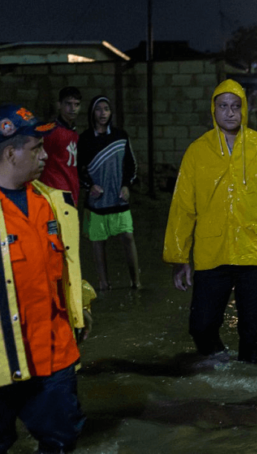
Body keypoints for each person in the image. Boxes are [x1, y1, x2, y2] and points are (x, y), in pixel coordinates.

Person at [164, 79, 257, 364]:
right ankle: (221, 365)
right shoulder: (197, 152)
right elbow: (183, 207)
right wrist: (178, 257)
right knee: (201, 326)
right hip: (211, 252)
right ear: (213, 109)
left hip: (256, 251)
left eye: (236, 106)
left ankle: (251, 390)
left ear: (244, 110)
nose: (230, 113)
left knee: (252, 329)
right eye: (223, 106)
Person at [0, 104, 91, 453]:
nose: (45, 156)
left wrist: (81, 305)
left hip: (54, 356)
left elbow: (66, 269)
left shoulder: (53, 204)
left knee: (62, 440)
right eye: (36, 149)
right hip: (6, 358)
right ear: (11, 152)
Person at [78, 95, 140, 291]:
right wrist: (89, 186)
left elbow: (131, 164)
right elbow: (79, 168)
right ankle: (104, 284)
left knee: (128, 237)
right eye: (98, 109)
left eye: (106, 108)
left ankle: (136, 282)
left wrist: (126, 185)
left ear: (111, 112)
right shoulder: (85, 139)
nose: (103, 113)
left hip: (119, 199)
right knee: (98, 242)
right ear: (92, 113)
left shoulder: (121, 136)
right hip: (97, 202)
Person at [39, 87, 82, 203]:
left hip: (71, 194)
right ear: (59, 105)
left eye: (76, 104)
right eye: (68, 104)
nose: (73, 109)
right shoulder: (50, 131)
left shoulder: (74, 133)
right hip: (54, 194)